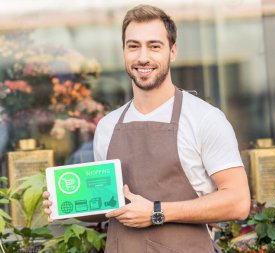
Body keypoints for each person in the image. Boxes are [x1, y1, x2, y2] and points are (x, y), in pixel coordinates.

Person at [43, 4, 250, 253]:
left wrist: (157, 212)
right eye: (133, 46)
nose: (143, 57)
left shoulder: (204, 119)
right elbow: (111, 204)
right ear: (124, 52)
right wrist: (67, 204)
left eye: (154, 46)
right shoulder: (108, 126)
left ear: (172, 52)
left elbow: (237, 201)